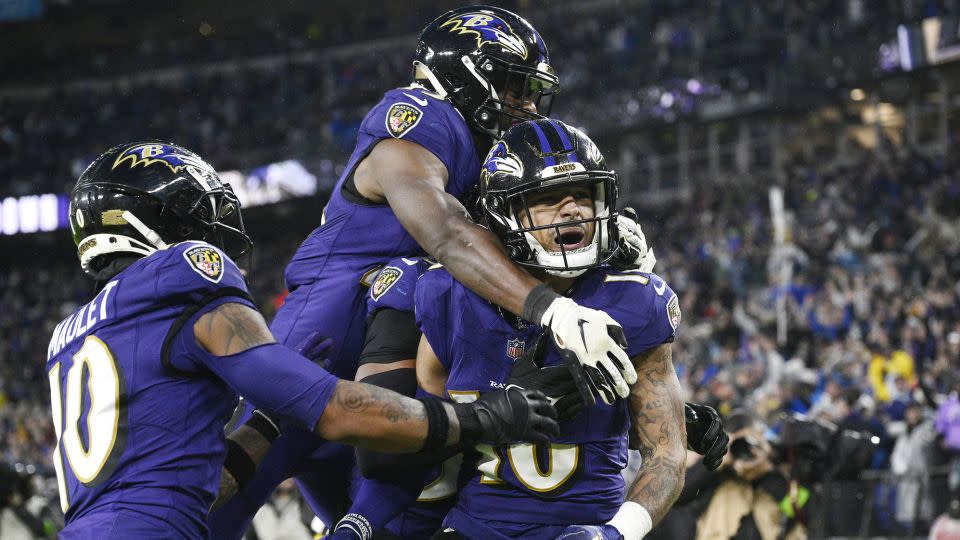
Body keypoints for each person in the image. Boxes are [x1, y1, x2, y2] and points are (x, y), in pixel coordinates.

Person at [210, 5, 654, 537]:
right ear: (465, 76)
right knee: (242, 476)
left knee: (402, 514)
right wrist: (551, 308)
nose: (528, 105)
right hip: (336, 321)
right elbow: (444, 233)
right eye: (515, 88)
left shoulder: (495, 156)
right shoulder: (420, 116)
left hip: (408, 336)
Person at [46, 141, 560, 539]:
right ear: (149, 221)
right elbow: (337, 410)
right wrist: (483, 417)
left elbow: (198, 486)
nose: (211, 235)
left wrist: (270, 423)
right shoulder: (181, 274)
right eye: (193, 216)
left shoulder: (71, 336)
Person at [407, 119, 687, 540]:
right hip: (473, 528)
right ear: (505, 214)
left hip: (587, 529)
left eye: (583, 195)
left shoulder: (634, 300)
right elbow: (430, 438)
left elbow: (666, 455)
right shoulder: (449, 295)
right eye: (550, 198)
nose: (573, 209)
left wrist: (616, 534)